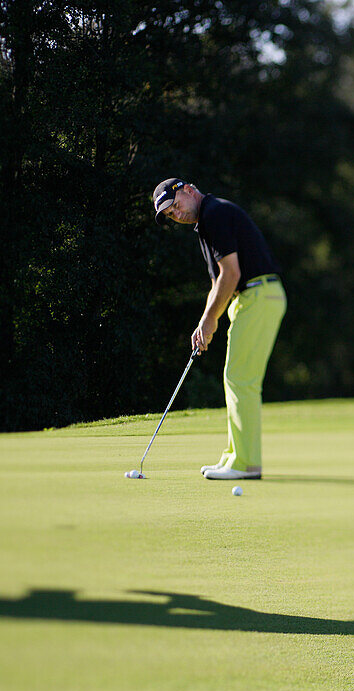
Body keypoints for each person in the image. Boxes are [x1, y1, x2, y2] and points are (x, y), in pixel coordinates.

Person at [152, 178, 285, 480]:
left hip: (259, 294)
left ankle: (246, 464)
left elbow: (231, 273)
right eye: (171, 214)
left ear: (188, 189)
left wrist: (210, 320)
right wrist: (205, 323)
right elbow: (218, 283)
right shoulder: (206, 222)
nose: (177, 214)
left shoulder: (214, 213)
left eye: (176, 206)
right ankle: (235, 457)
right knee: (235, 379)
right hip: (252, 298)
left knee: (241, 380)